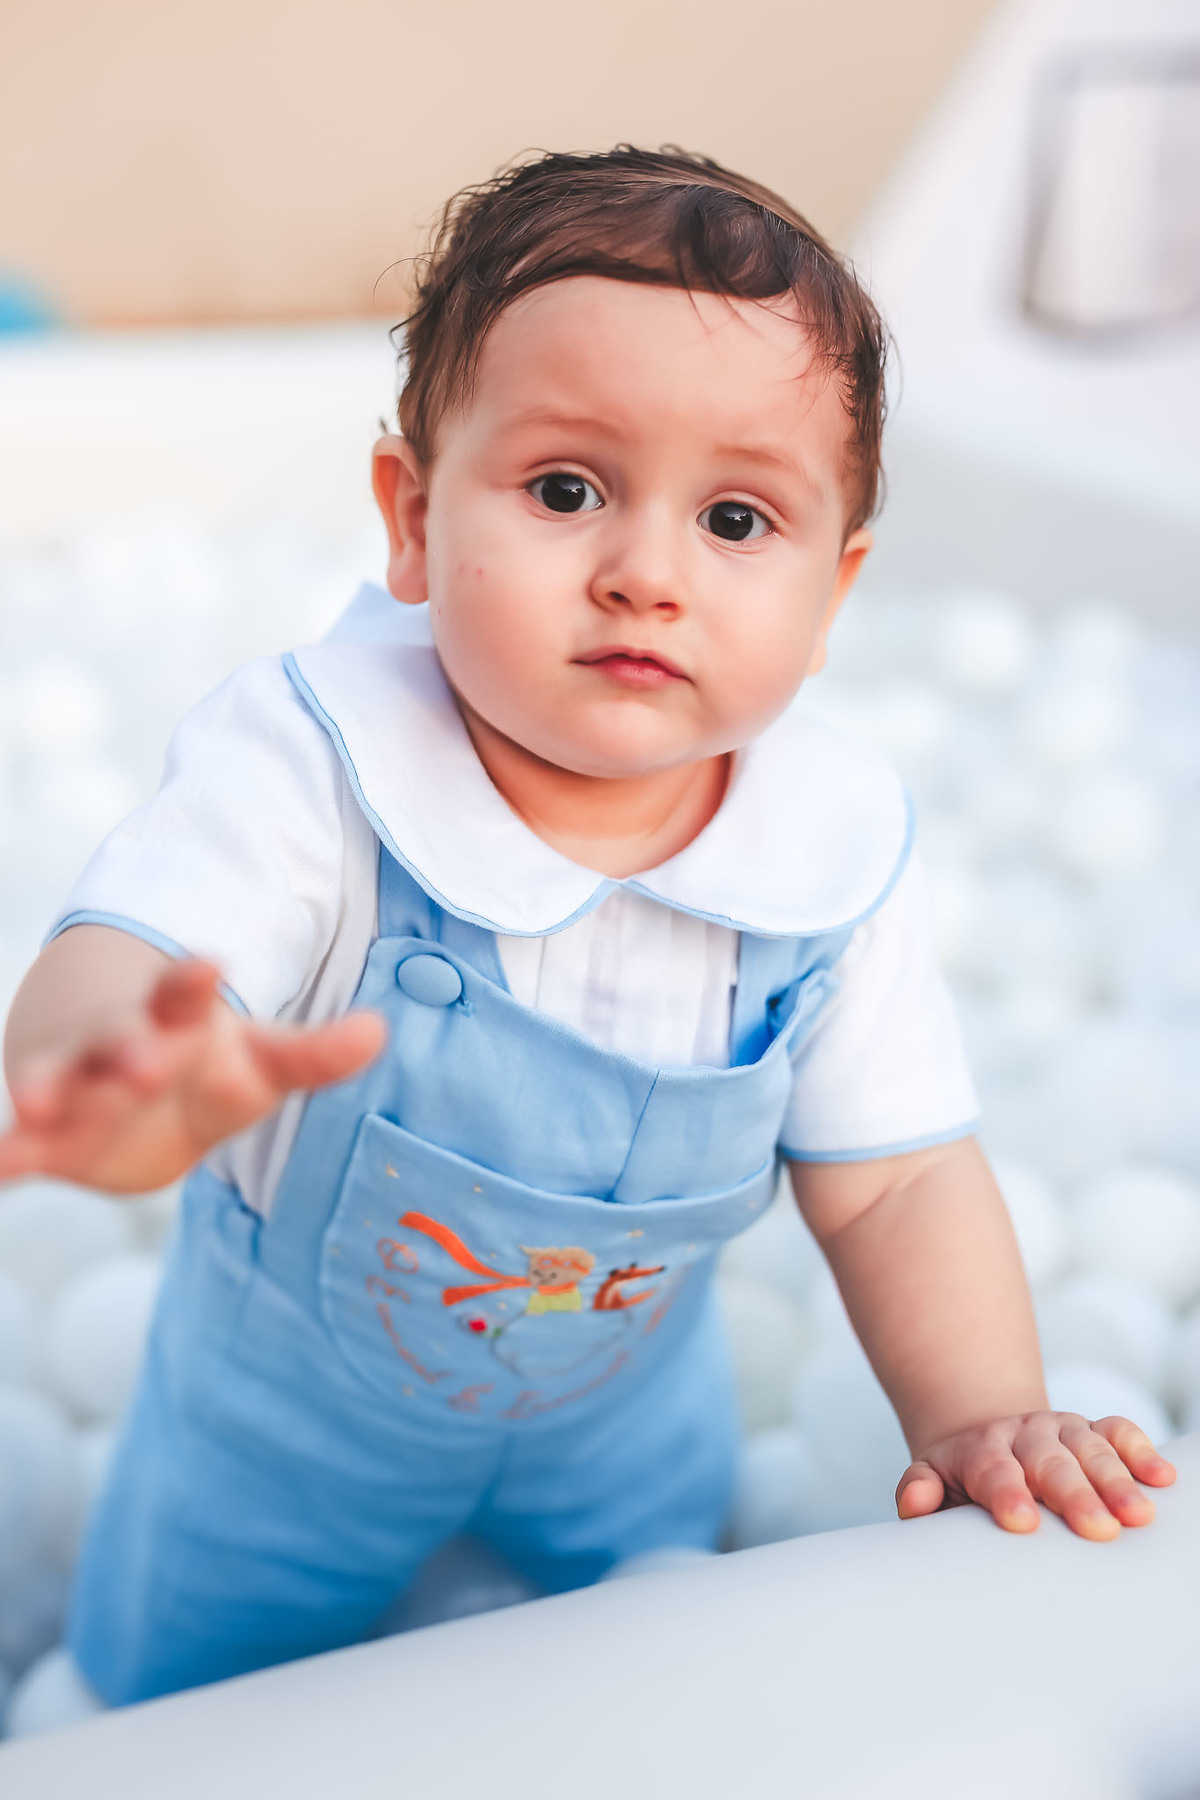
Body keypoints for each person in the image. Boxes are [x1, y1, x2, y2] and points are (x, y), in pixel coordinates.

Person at [0, 147, 1175, 1706]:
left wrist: (981, 1415)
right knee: (171, 1687)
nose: (644, 574)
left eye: (740, 520)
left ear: (836, 600)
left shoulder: (822, 855)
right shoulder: (313, 758)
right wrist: (110, 1073)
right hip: (277, 1431)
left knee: (647, 1669)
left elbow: (892, 1185)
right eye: (566, 490)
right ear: (411, 523)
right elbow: (137, 950)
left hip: (626, 1421)